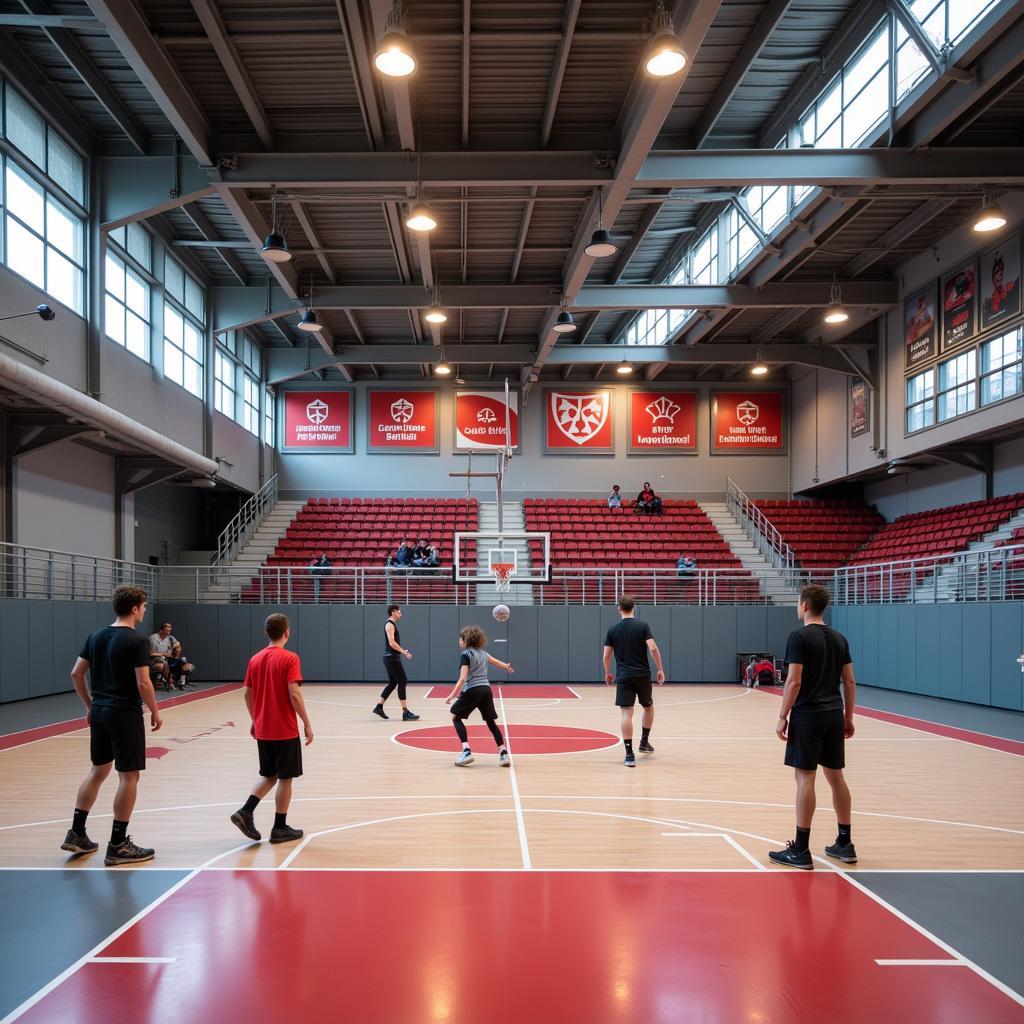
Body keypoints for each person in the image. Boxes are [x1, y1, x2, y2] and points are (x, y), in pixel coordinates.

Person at [60, 585, 163, 865]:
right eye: (143, 606)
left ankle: (76, 833)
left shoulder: (95, 637)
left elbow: (76, 673)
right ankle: (118, 843)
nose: (144, 610)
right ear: (134, 608)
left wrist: (90, 704)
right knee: (129, 777)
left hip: (101, 712)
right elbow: (143, 682)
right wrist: (155, 710)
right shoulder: (137, 641)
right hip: (124, 714)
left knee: (98, 771)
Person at [769, 584, 857, 870]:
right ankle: (845, 842)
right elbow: (849, 681)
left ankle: (801, 849)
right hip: (833, 713)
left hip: (808, 715)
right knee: (837, 778)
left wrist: (783, 715)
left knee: (805, 779)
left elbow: (794, 681)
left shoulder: (799, 637)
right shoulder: (840, 638)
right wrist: (848, 716)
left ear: (804, 606)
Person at [230, 613, 314, 845]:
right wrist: (306, 722)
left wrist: (255, 719)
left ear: (267, 633)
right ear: (287, 632)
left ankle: (246, 811)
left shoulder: (255, 659)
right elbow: (294, 693)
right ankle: (279, 828)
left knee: (269, 775)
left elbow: (247, 693)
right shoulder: (290, 658)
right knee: (285, 778)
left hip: (264, 729)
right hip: (284, 729)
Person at [603, 594, 665, 767]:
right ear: (633, 607)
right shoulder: (643, 626)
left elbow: (607, 655)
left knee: (626, 713)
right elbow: (653, 647)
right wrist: (660, 669)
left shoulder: (612, 630)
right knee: (648, 707)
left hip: (623, 676)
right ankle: (644, 742)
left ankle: (629, 754)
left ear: (619, 609)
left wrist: (607, 672)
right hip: (643, 675)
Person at [445, 625, 513, 767]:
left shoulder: (466, 655)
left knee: (456, 718)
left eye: (460, 639)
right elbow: (495, 662)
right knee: (491, 722)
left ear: (466, 640)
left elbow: (463, 678)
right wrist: (506, 666)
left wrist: (452, 695)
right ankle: (503, 753)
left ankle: (466, 751)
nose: (459, 642)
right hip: (486, 690)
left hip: (473, 689)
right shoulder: (483, 653)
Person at [372, 604, 420, 722]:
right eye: (399, 612)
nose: (401, 614)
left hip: (391, 657)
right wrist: (404, 652)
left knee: (393, 682)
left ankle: (379, 707)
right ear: (393, 612)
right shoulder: (389, 624)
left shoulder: (391, 624)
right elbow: (391, 643)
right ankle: (405, 712)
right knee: (402, 681)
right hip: (391, 658)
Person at [148, 621, 177, 691]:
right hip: (154, 661)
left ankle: (178, 682)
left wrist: (173, 648)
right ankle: (169, 682)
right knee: (162, 666)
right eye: (167, 628)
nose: (169, 630)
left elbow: (177, 645)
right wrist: (164, 654)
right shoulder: (153, 638)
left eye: (170, 628)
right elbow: (150, 653)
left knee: (184, 664)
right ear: (161, 629)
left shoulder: (168, 638)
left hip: (165, 660)